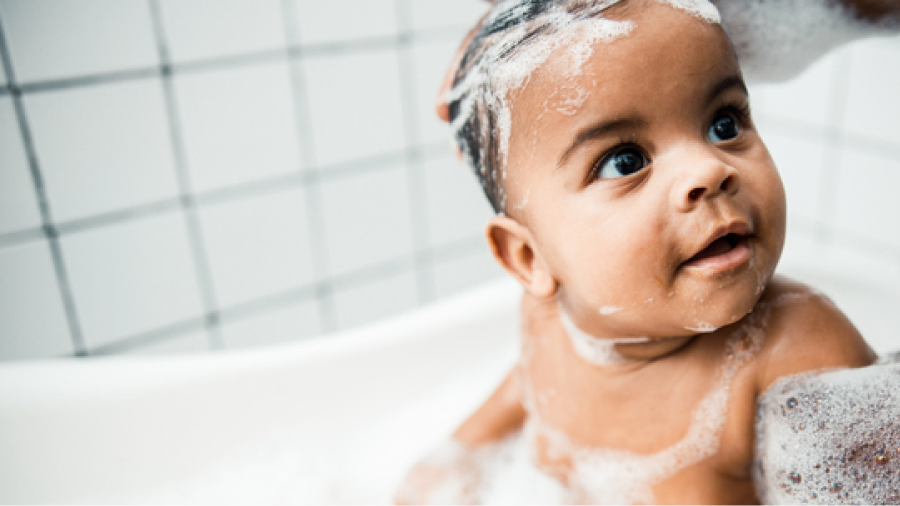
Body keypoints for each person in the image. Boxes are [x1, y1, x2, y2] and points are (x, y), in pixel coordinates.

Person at [395, 1, 898, 504]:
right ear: (531, 259)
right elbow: (523, 388)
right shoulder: (549, 318)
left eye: (725, 123)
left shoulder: (799, 349)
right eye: (625, 161)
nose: (708, 169)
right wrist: (455, 458)